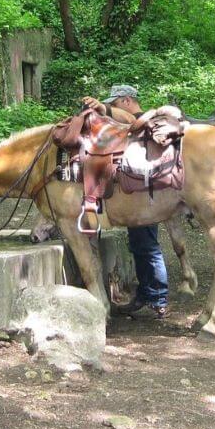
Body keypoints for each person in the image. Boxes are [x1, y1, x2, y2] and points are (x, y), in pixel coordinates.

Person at [81, 85, 169, 318]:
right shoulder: (136, 127)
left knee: (149, 247)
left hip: (144, 198)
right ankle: (145, 294)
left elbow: (127, 117)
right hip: (136, 198)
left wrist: (102, 107)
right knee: (140, 246)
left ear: (127, 100)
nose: (112, 109)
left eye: (115, 103)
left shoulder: (140, 120)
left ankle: (158, 299)